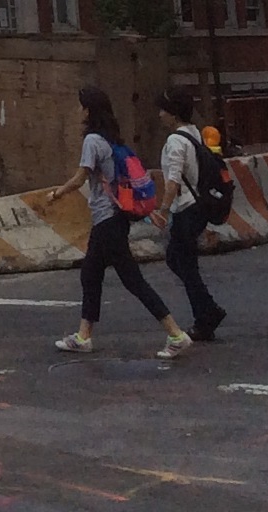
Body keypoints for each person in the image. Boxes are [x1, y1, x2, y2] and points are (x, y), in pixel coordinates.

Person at [38, 85, 192, 360]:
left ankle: (176, 334)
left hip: (107, 219)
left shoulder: (92, 141)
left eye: (81, 105)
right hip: (114, 218)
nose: (78, 110)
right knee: (90, 274)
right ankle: (83, 336)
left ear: (88, 110)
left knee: (132, 280)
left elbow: (80, 178)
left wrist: (57, 194)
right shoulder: (112, 139)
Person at [151, 89, 226, 343]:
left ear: (174, 114)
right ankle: (208, 310)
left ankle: (206, 316)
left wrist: (163, 211)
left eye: (164, 110)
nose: (160, 115)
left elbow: (172, 181)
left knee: (184, 264)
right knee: (179, 260)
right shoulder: (194, 133)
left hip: (185, 209)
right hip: (198, 207)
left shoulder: (175, 140)